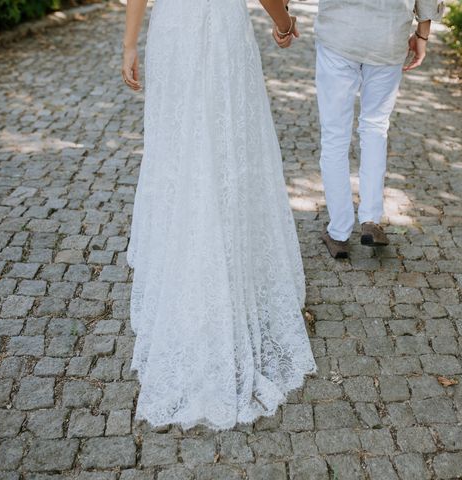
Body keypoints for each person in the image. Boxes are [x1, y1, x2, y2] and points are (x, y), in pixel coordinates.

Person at [121, 0, 317, 431]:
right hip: (220, 29)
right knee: (225, 148)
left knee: (179, 149)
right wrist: (284, 23)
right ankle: (222, 261)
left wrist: (129, 44)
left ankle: (182, 259)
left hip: (172, 30)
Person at [314, 0, 445, 258]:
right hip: (388, 35)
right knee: (375, 129)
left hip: (340, 34)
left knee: (334, 136)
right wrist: (422, 34)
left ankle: (339, 233)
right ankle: (371, 220)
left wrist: (283, 18)